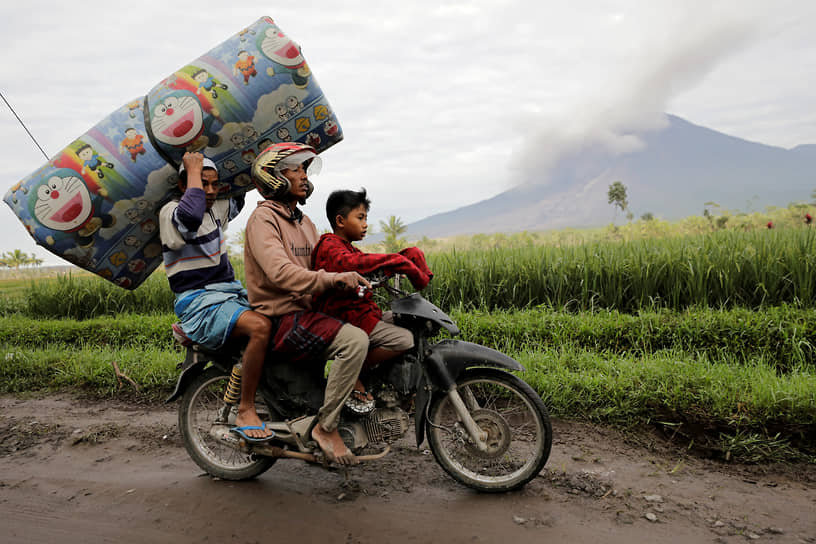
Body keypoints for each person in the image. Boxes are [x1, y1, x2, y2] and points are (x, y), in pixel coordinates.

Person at [244, 142, 370, 465]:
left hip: (306, 313)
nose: (303, 176)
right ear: (273, 175)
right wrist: (331, 279)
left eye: (304, 169)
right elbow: (280, 273)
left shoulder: (304, 222)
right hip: (283, 317)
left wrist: (368, 270)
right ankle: (326, 429)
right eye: (296, 169)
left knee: (374, 327)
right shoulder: (263, 220)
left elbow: (326, 263)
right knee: (355, 341)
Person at [159, 152, 274, 442]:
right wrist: (193, 168)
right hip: (199, 303)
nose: (210, 191)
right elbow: (190, 216)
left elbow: (242, 191)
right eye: (203, 184)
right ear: (184, 186)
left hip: (228, 294)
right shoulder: (171, 213)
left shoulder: (215, 207)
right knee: (260, 327)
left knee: (286, 312)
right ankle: (246, 408)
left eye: (215, 185)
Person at [311, 188, 433, 409]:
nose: (365, 224)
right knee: (404, 339)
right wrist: (395, 261)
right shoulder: (329, 247)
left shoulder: (347, 248)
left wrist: (406, 258)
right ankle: (352, 373)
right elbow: (352, 264)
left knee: (411, 322)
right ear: (340, 220)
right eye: (360, 217)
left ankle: (399, 385)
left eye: (366, 218)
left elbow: (369, 265)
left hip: (361, 315)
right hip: (341, 320)